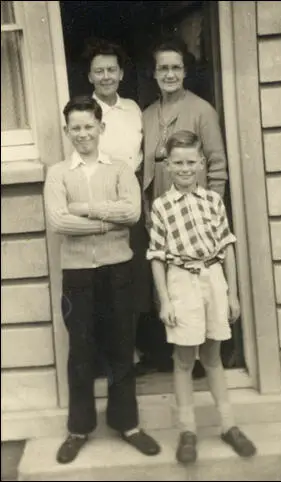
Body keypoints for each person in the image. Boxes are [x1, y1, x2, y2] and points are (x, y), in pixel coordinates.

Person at [44, 96, 160, 464]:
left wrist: (85, 210)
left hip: (118, 270)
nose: (83, 134)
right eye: (75, 128)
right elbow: (59, 222)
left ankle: (127, 424)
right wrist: (106, 223)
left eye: (89, 126)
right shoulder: (58, 173)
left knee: (121, 346)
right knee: (81, 351)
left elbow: (132, 212)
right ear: (67, 131)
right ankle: (78, 429)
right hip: (78, 274)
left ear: (101, 128)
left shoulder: (121, 169)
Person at [146, 130, 256, 464]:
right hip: (181, 281)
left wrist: (232, 293)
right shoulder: (162, 207)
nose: (184, 169)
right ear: (167, 165)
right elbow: (157, 257)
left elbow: (227, 248)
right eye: (177, 163)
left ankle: (228, 425)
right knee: (183, 360)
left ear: (202, 163)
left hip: (213, 280)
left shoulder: (212, 200)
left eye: (191, 162)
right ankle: (188, 431)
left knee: (213, 356)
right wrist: (165, 299)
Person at [140, 36, 228, 375]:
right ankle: (175, 353)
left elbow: (217, 165)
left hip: (196, 210)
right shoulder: (148, 114)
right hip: (162, 209)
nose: (170, 73)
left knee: (201, 281)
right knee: (168, 279)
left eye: (176, 67)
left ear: (185, 72)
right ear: (154, 73)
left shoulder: (202, 110)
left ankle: (205, 358)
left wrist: (211, 211)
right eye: (163, 68)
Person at [83, 38, 152, 373]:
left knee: (135, 273)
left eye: (112, 69)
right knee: (104, 276)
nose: (106, 76)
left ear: (122, 74)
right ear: (90, 76)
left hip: (132, 194)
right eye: (99, 71)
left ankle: (132, 350)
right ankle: (105, 355)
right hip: (100, 197)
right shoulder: (84, 112)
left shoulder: (133, 110)